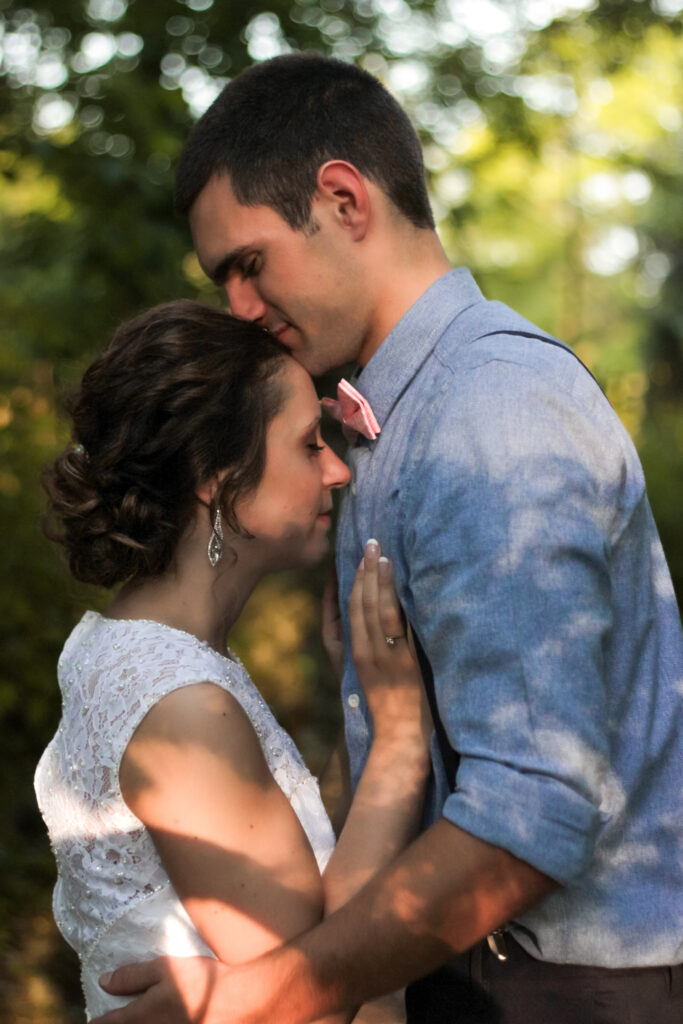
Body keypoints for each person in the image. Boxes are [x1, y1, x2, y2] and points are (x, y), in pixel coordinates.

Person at [95, 55, 683, 1024]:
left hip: (566, 991)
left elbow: (527, 817)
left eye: (248, 264)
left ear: (341, 199)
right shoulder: (390, 419)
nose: (239, 308)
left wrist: (254, 996)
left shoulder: (488, 410)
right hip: (476, 973)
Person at [36, 299, 435, 1022]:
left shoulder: (125, 646)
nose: (338, 472)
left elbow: (304, 888)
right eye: (309, 444)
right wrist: (400, 743)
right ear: (216, 478)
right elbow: (312, 1003)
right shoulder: (181, 704)